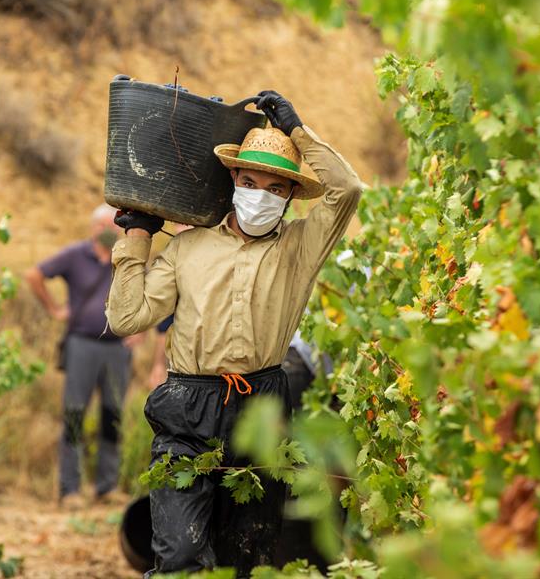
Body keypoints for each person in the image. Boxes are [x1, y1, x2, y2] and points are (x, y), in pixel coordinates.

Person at [105, 91, 362, 576]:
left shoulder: (300, 248)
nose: (260, 195)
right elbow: (126, 318)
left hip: (262, 413)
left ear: (288, 197)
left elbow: (346, 190)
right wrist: (137, 237)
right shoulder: (188, 249)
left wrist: (300, 132)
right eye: (249, 181)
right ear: (233, 181)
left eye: (274, 188)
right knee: (179, 555)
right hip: (188, 407)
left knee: (246, 558)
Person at [25, 203, 133, 507]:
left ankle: (106, 487)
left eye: (114, 226)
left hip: (117, 348)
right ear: (93, 228)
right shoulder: (75, 255)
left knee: (112, 416)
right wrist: (55, 310)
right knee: (74, 415)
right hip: (82, 345)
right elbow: (34, 275)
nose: (109, 232)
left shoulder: (125, 257)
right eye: (103, 226)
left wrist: (139, 330)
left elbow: (144, 293)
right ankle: (70, 490)